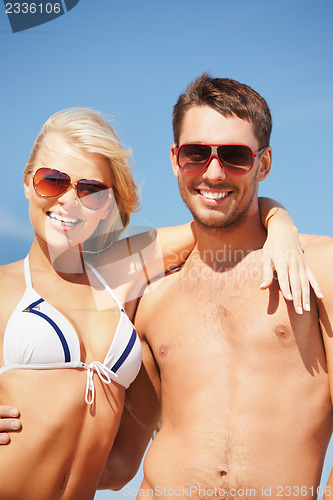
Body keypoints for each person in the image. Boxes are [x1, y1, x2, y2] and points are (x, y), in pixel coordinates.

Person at [0, 106, 320, 499]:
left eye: (91, 190)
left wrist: (281, 225)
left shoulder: (118, 272)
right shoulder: (5, 285)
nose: (69, 200)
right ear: (28, 183)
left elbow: (218, 212)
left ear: (108, 204)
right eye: (52, 181)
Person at [96, 74, 332, 499]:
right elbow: (117, 463)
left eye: (236, 156)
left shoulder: (318, 269)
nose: (214, 172)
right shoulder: (153, 297)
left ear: (264, 162)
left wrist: (279, 221)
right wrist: (29, 437)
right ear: (175, 159)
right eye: (196, 154)